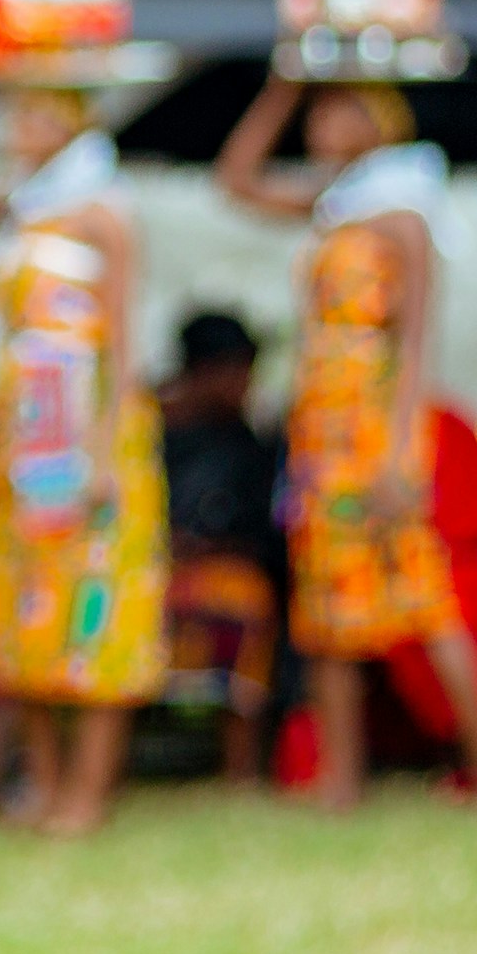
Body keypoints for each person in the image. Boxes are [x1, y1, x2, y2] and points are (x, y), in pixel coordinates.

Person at [216, 77, 477, 808]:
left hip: (376, 426)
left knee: (423, 597)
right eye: (318, 110)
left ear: (378, 120)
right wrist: (282, 88)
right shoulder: (335, 205)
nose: (323, 124)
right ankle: (341, 778)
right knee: (327, 608)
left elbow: (418, 342)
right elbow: (236, 180)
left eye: (340, 109)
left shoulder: (403, 211)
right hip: (321, 433)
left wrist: (400, 451)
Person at [0, 81, 167, 835]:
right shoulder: (23, 207)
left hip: (87, 421)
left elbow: (124, 344)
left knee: (95, 601)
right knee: (27, 601)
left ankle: (87, 791)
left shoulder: (102, 211)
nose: (20, 128)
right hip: (21, 428)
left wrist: (106, 454)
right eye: (16, 113)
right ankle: (45, 784)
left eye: (38, 113)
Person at [152, 314, 285, 782]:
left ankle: (240, 770)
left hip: (220, 570)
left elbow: (262, 530)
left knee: (245, 597)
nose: (246, 385)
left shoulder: (247, 441)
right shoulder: (145, 430)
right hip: (146, 568)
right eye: (237, 371)